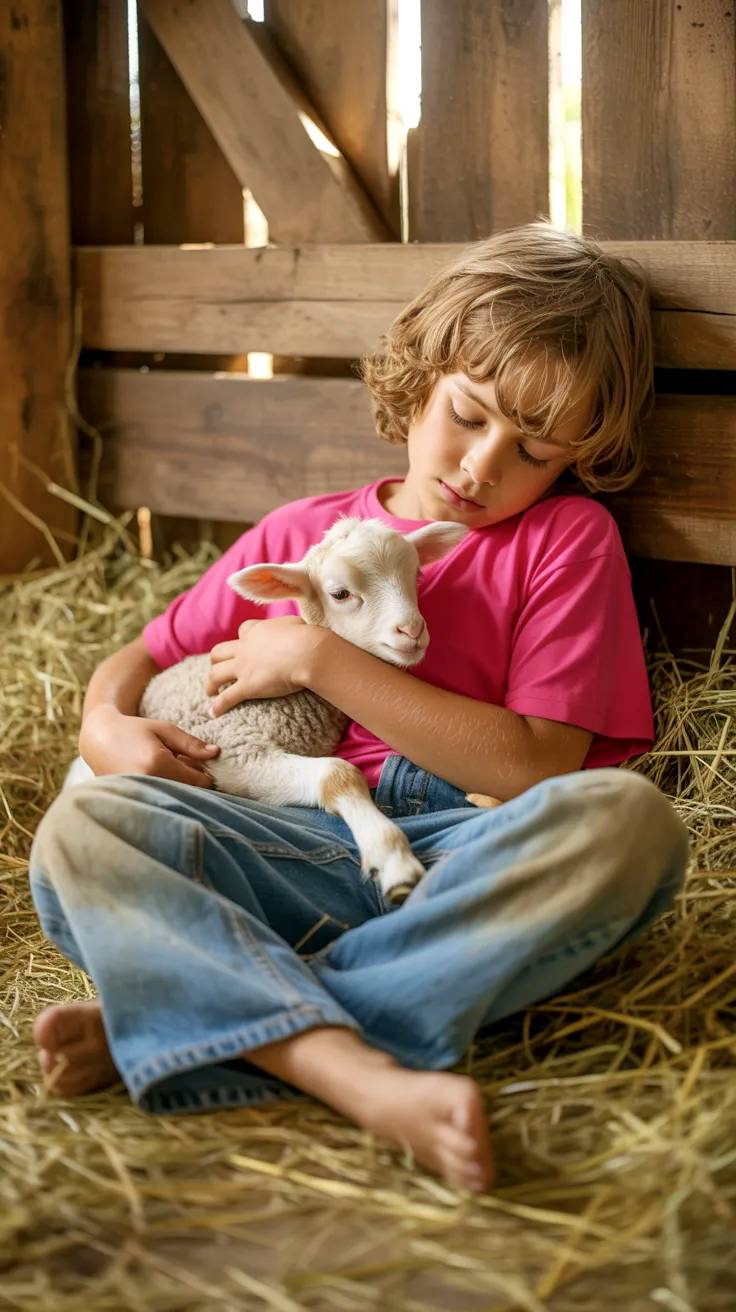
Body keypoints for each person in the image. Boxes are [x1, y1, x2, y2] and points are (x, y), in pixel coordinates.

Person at [28, 222, 689, 1195]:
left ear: (572, 463)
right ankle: (332, 1050)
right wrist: (103, 724)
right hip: (281, 839)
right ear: (423, 374)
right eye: (469, 413)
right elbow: (146, 650)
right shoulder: (299, 532)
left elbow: (536, 767)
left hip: (456, 845)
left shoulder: (562, 541)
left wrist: (321, 659)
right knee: (83, 831)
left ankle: (227, 1027)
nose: (482, 464)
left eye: (535, 447)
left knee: (631, 826)